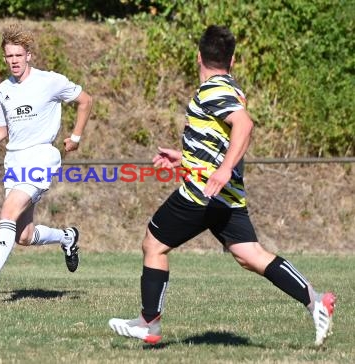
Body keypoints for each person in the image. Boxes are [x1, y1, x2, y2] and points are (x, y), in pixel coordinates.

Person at [108, 25, 336, 346]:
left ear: (198, 56)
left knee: (154, 244)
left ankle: (149, 324)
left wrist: (224, 169)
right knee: (250, 255)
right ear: (232, 60)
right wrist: (184, 158)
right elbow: (218, 138)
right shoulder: (231, 87)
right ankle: (315, 301)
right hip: (222, 195)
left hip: (202, 192)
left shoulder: (212, 89)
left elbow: (244, 124)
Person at [0, 23, 93, 302]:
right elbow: (2, 128)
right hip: (14, 160)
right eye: (9, 56)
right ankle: (67, 237)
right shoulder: (3, 90)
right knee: (24, 236)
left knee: (8, 210)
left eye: (18, 55)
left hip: (41, 157)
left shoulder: (49, 81)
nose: (14, 61)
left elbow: (85, 100)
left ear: (29, 55)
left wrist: (76, 137)